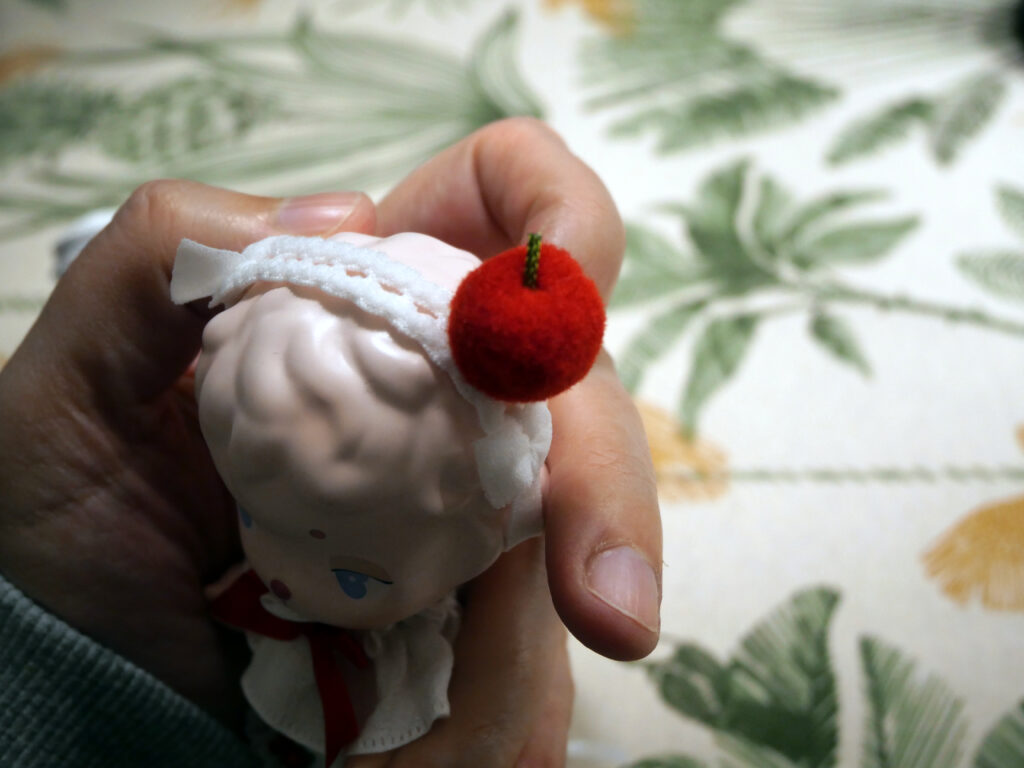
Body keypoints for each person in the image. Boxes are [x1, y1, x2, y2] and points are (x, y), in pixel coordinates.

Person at [0, 118, 662, 767]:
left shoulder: (423, 657)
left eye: (358, 576)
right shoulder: (213, 573)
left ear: (500, 532)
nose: (285, 579)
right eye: (252, 518)